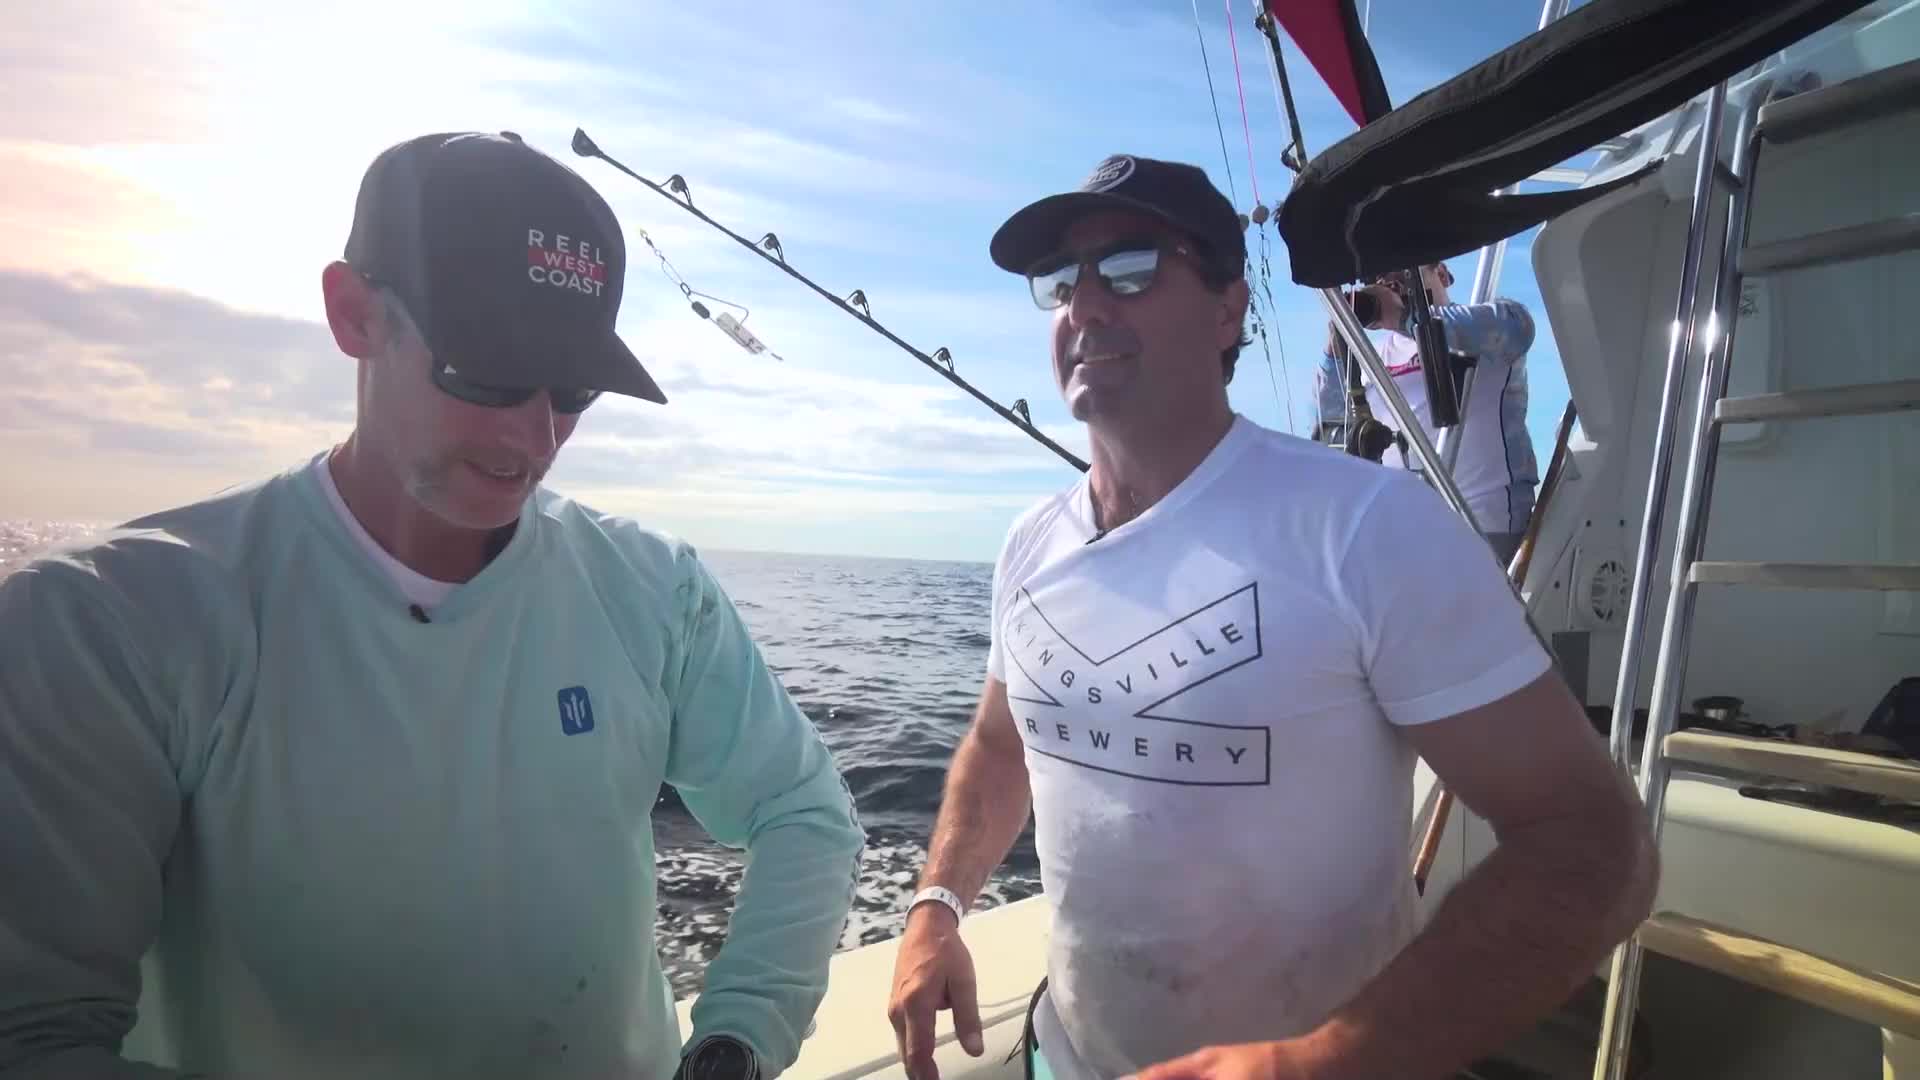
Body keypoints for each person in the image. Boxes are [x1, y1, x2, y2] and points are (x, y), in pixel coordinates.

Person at [0, 131, 865, 1080]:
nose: (533, 435)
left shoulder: (656, 590)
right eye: (487, 369)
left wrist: (735, 1041)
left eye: (574, 385)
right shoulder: (103, 623)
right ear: (353, 314)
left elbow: (804, 810)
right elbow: (36, 1036)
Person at [884, 154, 1656, 1080]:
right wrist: (936, 906)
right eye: (1062, 281)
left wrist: (1318, 1061)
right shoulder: (1029, 543)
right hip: (1061, 1056)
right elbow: (1001, 748)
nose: (1086, 306)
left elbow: (1592, 844)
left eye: (1130, 268)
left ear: (1226, 310)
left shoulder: (1370, 527)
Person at [1313, 263, 1541, 565]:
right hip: (1404, 537)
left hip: (1486, 527)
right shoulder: (1367, 361)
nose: (1386, 278)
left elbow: (1516, 329)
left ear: (1443, 274)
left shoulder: (1489, 325)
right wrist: (1336, 348)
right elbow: (1330, 430)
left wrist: (1407, 318)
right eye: (1374, 276)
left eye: (1402, 265)